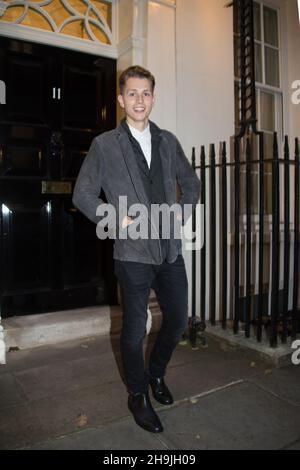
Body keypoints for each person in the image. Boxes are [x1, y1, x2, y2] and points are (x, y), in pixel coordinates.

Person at [73, 65, 201, 433]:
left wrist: (181, 212)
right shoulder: (105, 145)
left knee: (177, 321)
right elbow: (82, 194)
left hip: (169, 250)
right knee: (133, 331)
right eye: (132, 93)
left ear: (153, 97)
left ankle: (156, 375)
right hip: (131, 253)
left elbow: (191, 184)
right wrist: (116, 219)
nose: (139, 100)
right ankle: (137, 394)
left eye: (145, 93)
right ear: (120, 99)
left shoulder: (167, 141)